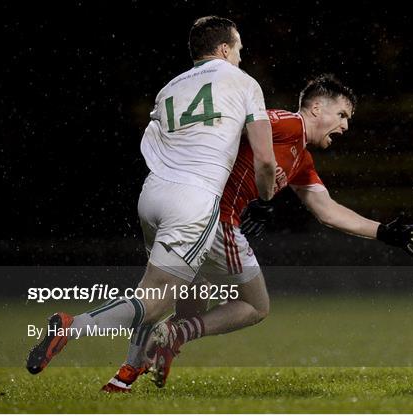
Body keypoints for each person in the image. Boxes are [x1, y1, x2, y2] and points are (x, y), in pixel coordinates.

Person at [106, 73, 413, 391]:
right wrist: (258, 187)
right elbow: (232, 130)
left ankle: (126, 374)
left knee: (187, 299)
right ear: (316, 108)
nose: (345, 125)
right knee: (255, 305)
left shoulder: (301, 158)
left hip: (190, 214)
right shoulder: (285, 123)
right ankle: (163, 337)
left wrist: (383, 231)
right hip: (212, 219)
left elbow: (326, 210)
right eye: (342, 114)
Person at [25, 15, 276, 389]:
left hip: (153, 195)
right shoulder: (243, 82)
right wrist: (266, 196)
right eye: (239, 49)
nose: (241, 57)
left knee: (171, 290)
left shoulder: (169, 88)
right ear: (225, 49)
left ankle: (126, 375)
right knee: (157, 301)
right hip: (194, 199)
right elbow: (265, 159)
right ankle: (73, 326)